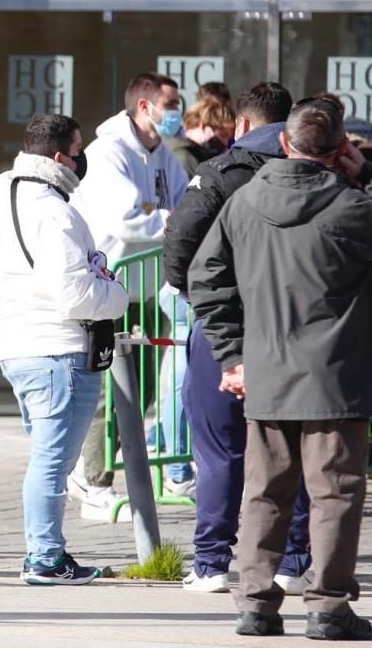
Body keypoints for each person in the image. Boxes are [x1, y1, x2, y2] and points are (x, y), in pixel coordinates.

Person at [190, 96, 372, 640]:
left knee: (264, 493)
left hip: (265, 373)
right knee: (335, 495)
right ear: (341, 149)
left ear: (284, 144)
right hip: (335, 378)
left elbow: (205, 279)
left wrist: (232, 354)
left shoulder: (243, 203)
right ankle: (327, 606)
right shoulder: (355, 206)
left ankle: (255, 604)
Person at [163, 82, 314, 595]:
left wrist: (200, 298)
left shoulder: (222, 172)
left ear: (244, 125)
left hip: (226, 327)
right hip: (298, 329)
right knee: (293, 444)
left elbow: (180, 245)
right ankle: (294, 561)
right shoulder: (321, 171)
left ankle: (211, 564)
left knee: (219, 447)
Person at [0, 113, 128, 584]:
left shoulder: (0, 197)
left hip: (20, 344)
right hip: (58, 348)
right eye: (78, 151)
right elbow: (74, 293)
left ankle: (44, 553)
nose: (83, 160)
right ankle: (44, 558)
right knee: (53, 461)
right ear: (61, 156)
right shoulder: (53, 210)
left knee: (47, 456)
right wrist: (116, 295)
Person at [68, 72, 189, 520]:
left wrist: (160, 214)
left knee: (140, 391)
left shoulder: (164, 155)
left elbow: (182, 205)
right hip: (112, 284)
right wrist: (167, 218)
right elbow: (125, 219)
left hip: (149, 285)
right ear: (145, 106)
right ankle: (92, 478)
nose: (177, 111)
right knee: (105, 387)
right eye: (170, 103)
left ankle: (132, 475)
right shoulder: (109, 152)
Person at [149, 93, 237, 496]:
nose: (222, 140)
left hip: (184, 280)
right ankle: (177, 465)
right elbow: (185, 222)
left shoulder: (176, 153)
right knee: (182, 375)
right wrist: (183, 282)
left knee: (178, 372)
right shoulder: (187, 157)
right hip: (187, 282)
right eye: (220, 132)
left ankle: (171, 455)